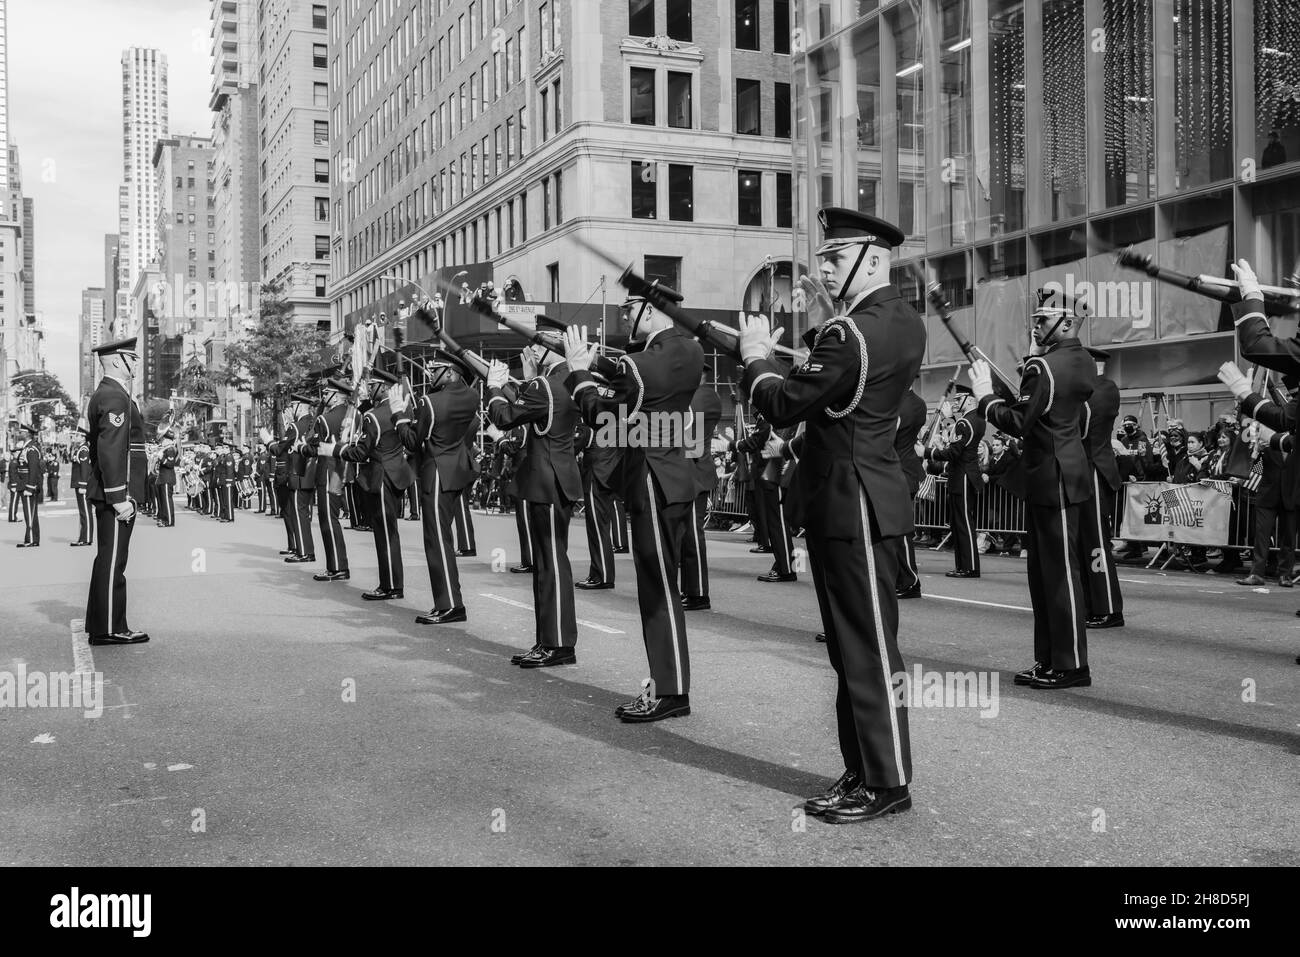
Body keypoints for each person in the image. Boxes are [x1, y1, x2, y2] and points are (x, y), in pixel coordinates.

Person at [738, 207, 924, 822]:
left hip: (851, 504)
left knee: (865, 650)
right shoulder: (897, 321)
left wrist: (755, 358)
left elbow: (788, 404)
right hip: (859, 498)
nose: (822, 265)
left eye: (834, 257)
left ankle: (887, 780)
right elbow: (839, 402)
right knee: (854, 648)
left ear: (872, 259)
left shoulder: (851, 335)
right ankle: (865, 769)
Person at [562, 287, 705, 722]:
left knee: (657, 589)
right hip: (676, 475)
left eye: (631, 309)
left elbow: (598, 410)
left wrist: (579, 373)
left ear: (651, 309)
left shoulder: (640, 366)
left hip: (651, 479)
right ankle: (671, 684)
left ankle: (670, 690)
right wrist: (602, 364)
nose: (626, 316)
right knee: (665, 585)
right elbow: (637, 379)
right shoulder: (691, 353)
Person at [970, 288, 1095, 690]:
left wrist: (986, 397)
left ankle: (1071, 664)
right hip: (1062, 471)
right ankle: (1051, 660)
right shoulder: (1082, 360)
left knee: (1056, 576)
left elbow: (1018, 422)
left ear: (1068, 322)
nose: (1036, 325)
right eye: (1036, 319)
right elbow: (1049, 414)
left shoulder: (1042, 367)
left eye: (1044, 320)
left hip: (1051, 475)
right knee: (1046, 574)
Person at [486, 344, 583, 666]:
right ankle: (550, 640)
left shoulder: (545, 386)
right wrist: (528, 381)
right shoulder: (570, 381)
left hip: (547, 482)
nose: (531, 354)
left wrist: (494, 387)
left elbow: (504, 417)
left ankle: (557, 643)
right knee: (549, 564)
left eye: (537, 349)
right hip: (559, 479)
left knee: (550, 565)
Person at [395, 354, 480, 624]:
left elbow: (412, 441)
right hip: (457, 469)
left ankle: (449, 605)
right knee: (444, 537)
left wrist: (399, 416)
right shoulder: (471, 398)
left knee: (437, 540)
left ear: (451, 373)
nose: (431, 375)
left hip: (436, 473)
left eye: (437, 371)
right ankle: (450, 602)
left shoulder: (430, 403)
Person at [320, 370, 415, 600]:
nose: (368, 389)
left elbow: (361, 452)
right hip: (396, 474)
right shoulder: (401, 410)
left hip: (380, 476)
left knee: (384, 534)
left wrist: (335, 449)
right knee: (389, 532)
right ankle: (392, 583)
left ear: (384, 388)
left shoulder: (373, 416)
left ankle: (390, 586)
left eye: (373, 385)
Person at [83, 338, 150, 646]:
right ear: (116, 362)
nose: (136, 363)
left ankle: (102, 624)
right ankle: (110, 627)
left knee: (108, 559)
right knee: (113, 561)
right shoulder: (114, 397)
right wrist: (119, 497)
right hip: (117, 495)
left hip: (115, 491)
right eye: (131, 358)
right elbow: (111, 451)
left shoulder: (112, 394)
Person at [1079, 348, 1125, 628]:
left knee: (1096, 543)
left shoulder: (1104, 389)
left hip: (1095, 467)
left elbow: (1085, 420)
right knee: (1084, 544)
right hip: (1082, 470)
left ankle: (1108, 607)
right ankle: (1092, 604)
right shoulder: (1084, 390)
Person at [923, 387, 984, 579]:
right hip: (964, 475)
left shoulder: (965, 422)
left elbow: (953, 451)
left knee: (963, 524)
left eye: (960, 400)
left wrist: (927, 452)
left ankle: (969, 567)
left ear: (971, 401)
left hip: (962, 476)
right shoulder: (976, 420)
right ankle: (965, 566)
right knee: (960, 524)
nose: (955, 403)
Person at [678, 371, 724, 608]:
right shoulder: (699, 396)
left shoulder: (700, 397)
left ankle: (697, 592)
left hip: (694, 471)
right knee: (686, 534)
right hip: (693, 470)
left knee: (692, 534)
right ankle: (691, 589)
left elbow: (690, 438)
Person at [305, 379, 355, 583]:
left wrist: (302, 446)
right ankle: (338, 565)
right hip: (347, 470)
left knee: (328, 520)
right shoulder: (356, 415)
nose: (324, 397)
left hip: (329, 471)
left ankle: (337, 567)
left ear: (337, 396)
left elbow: (314, 446)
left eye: (327, 394)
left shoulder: (325, 419)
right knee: (334, 518)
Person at [15, 420, 43, 547]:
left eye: (21, 432)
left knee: (30, 513)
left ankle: (31, 539)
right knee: (29, 513)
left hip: (28, 485)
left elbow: (34, 469)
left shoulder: (31, 449)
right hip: (24, 484)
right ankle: (31, 539)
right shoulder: (27, 448)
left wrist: (30, 487)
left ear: (27, 434)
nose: (19, 433)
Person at [70, 428, 94, 546]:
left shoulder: (84, 449)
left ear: (83, 437)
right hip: (79, 483)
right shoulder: (80, 448)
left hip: (82, 484)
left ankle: (87, 538)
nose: (75, 437)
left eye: (77, 435)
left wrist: (83, 484)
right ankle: (83, 537)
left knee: (85, 512)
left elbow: (85, 468)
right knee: (83, 512)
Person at [155, 432, 178, 527]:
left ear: (168, 440)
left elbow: (170, 464)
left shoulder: (170, 450)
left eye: (163, 439)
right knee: (163, 501)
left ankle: (169, 521)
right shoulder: (166, 450)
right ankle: (164, 519)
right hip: (163, 478)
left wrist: (161, 458)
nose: (162, 441)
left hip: (167, 478)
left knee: (167, 501)